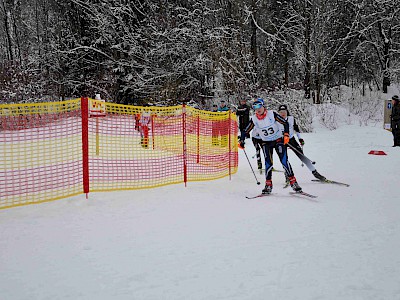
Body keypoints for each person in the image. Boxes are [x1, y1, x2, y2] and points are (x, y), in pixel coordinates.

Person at [239, 99, 302, 194]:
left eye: (259, 106)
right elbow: (245, 130)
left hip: (278, 140)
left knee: (284, 161)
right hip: (266, 142)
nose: (258, 109)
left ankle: (293, 182)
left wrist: (286, 134)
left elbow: (285, 123)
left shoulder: (272, 114)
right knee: (268, 163)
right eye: (255, 107)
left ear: (263, 106)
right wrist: (242, 140)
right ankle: (268, 185)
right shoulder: (254, 119)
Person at [277, 104, 326, 181]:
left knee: (302, 156)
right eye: (281, 112)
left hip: (291, 139)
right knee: (284, 159)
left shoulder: (291, 119)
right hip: (281, 141)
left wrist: (300, 139)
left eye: (284, 111)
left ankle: (315, 173)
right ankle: (287, 175)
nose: (283, 113)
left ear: (287, 112)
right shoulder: (276, 120)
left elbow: (296, 129)